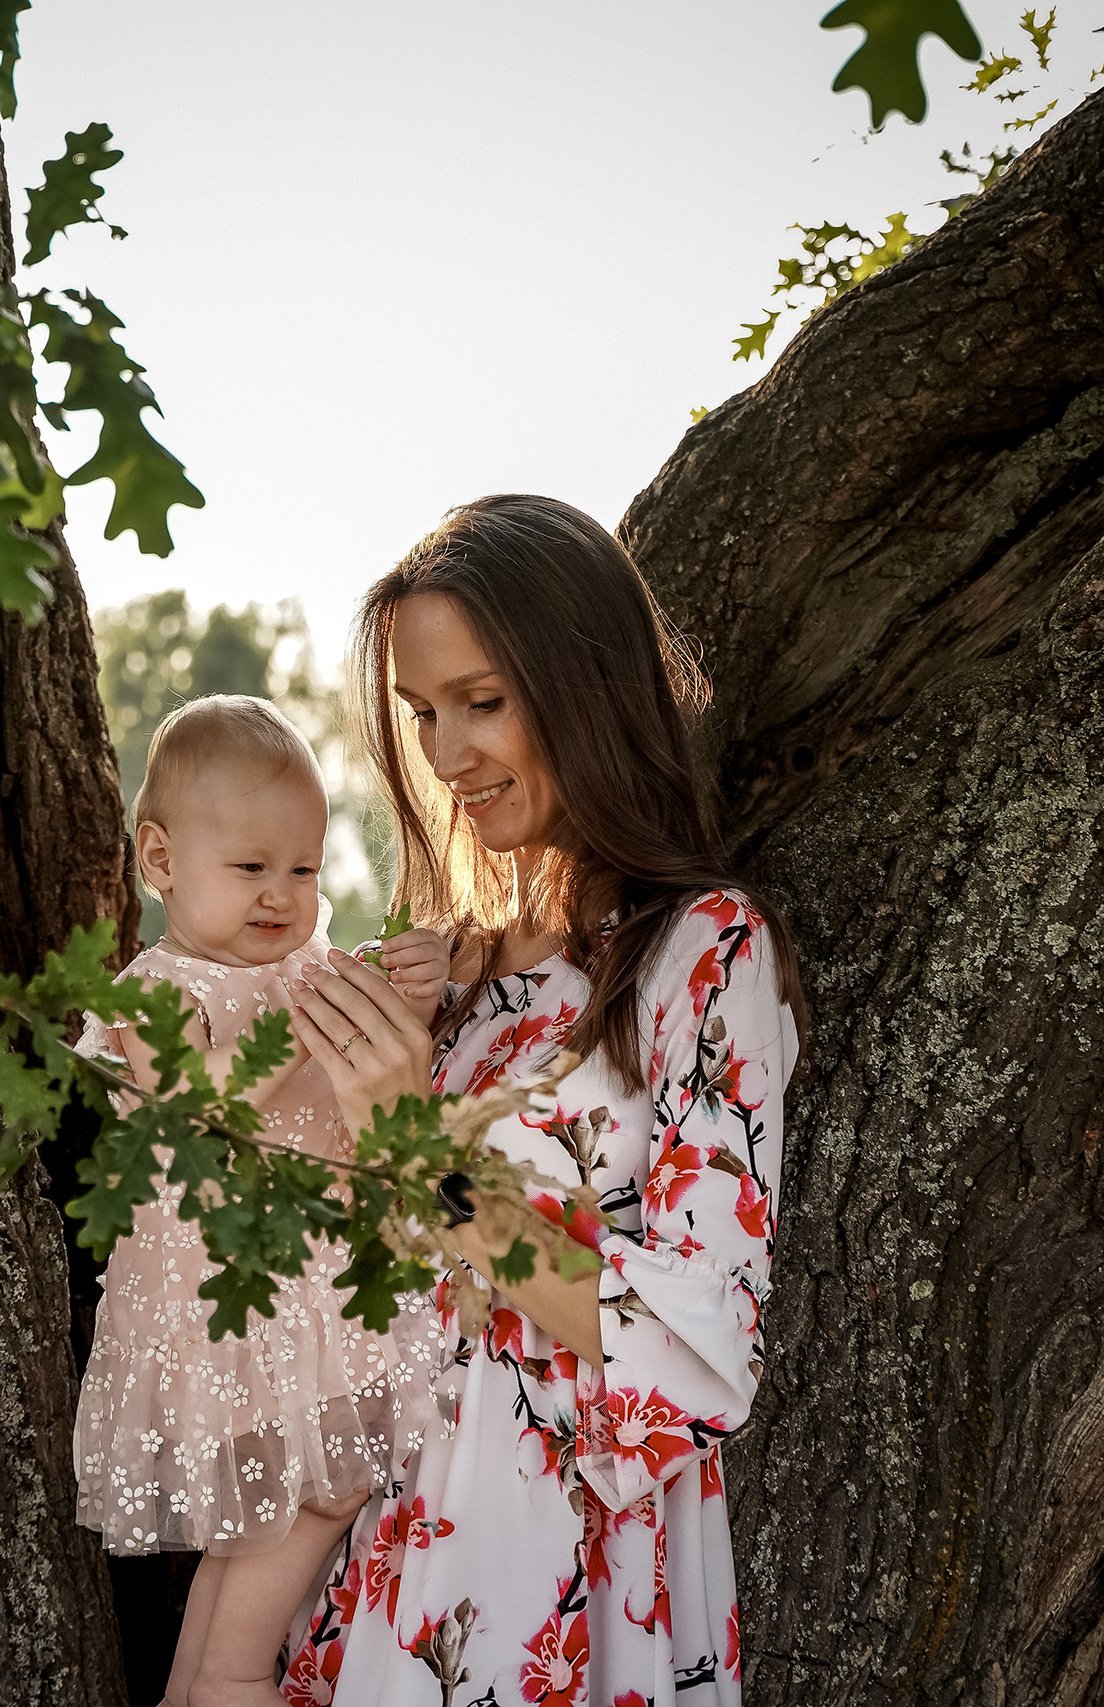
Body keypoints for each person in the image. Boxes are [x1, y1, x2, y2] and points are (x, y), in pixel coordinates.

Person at [279, 496, 809, 1707]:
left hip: (552, 1566)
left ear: (587, 685)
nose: (444, 755)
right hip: (375, 1541)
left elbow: (697, 1338)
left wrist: (416, 1146)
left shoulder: (704, 953)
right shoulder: (454, 973)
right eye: (422, 712)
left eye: (482, 701)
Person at [71, 693, 455, 1707]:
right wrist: (295, 1020)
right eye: (250, 868)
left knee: (261, 1533)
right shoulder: (155, 992)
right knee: (319, 1496)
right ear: (160, 859)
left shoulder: (303, 968)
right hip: (241, 1315)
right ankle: (233, 1681)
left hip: (314, 1291)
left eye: (304, 870)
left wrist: (406, 991)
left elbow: (373, 1068)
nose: (281, 896)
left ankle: (197, 1685)